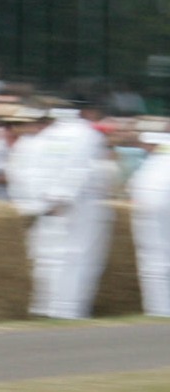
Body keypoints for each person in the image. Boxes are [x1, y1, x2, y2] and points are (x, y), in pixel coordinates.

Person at [26, 106, 114, 320]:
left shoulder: (45, 136)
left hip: (48, 202)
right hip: (79, 204)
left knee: (50, 258)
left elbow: (33, 168)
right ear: (88, 113)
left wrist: (41, 199)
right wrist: (63, 195)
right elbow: (79, 168)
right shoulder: (85, 134)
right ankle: (69, 310)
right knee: (78, 257)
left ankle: (47, 307)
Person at [131, 128, 170, 316]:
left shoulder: (159, 161)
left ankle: (160, 310)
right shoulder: (156, 161)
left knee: (156, 263)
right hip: (154, 212)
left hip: (155, 214)